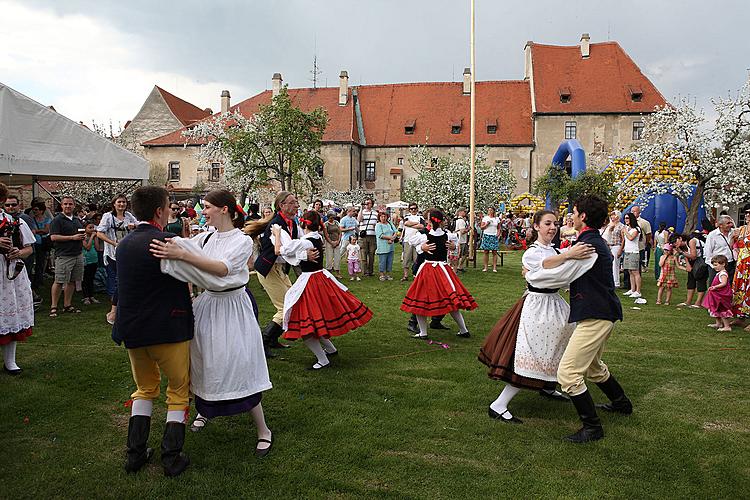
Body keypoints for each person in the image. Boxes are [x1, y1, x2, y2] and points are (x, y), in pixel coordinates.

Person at [151, 189, 273, 457]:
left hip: (232, 308)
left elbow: (222, 269)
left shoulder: (241, 241)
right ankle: (205, 411)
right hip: (208, 305)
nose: (202, 211)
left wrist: (183, 256)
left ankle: (263, 429)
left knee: (239, 363)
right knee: (204, 359)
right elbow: (181, 245)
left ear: (224, 209)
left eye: (206, 207)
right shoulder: (205, 237)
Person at [525, 195, 629, 443]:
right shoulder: (588, 241)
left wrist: (532, 276)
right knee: (593, 367)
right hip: (599, 312)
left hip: (596, 314)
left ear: (583, 216)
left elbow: (560, 277)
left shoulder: (589, 245)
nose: (570, 216)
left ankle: (592, 428)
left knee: (569, 375)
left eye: (573, 211)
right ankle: (621, 403)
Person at [479, 210, 594, 423]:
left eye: (555, 224)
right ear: (536, 226)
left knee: (558, 345)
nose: (552, 227)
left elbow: (561, 274)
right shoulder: (532, 252)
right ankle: (499, 404)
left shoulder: (555, 250)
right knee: (533, 352)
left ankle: (547, 385)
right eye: (547, 223)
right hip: (536, 306)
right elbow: (545, 268)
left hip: (555, 303)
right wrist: (568, 256)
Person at [112, 185, 193, 476]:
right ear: (160, 211)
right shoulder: (167, 240)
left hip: (133, 329)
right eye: (169, 205)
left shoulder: (124, 244)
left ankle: (135, 454)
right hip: (168, 326)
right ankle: (171, 457)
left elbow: (122, 286)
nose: (171, 209)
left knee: (144, 389)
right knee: (178, 390)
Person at [272, 210, 372, 370]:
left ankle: (323, 359)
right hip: (320, 279)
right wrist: (302, 255)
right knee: (316, 318)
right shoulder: (316, 238)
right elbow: (296, 253)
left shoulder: (304, 242)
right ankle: (330, 349)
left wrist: (277, 234)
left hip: (311, 282)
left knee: (307, 323)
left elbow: (279, 251)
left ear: (304, 223)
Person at [251, 191, 317, 358]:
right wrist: (304, 255)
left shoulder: (292, 223)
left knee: (293, 302)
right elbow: (281, 250)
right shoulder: (276, 225)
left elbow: (296, 244)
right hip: (269, 270)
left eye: (296, 202)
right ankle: (264, 342)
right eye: (293, 202)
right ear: (282, 205)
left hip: (279, 270)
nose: (297, 205)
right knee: (285, 307)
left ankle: (272, 339)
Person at [401, 209, 476, 339]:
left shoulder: (426, 235)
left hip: (430, 269)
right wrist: (422, 248)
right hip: (443, 269)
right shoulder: (447, 235)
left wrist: (421, 248)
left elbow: (412, 242)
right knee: (450, 300)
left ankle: (424, 332)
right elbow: (455, 243)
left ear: (430, 221)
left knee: (420, 299)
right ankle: (463, 330)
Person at [0, 183, 35, 374]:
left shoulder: (14, 221)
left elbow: (29, 248)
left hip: (10, 275)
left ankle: (10, 361)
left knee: (11, 313)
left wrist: (18, 252)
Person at [97, 194, 138, 325]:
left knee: (125, 281)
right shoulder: (108, 217)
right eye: (119, 202)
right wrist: (113, 243)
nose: (122, 205)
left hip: (127, 253)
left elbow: (139, 225)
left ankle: (120, 309)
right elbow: (99, 233)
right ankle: (114, 311)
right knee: (117, 281)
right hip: (112, 254)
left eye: (124, 202)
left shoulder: (129, 216)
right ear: (114, 204)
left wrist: (134, 227)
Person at [48, 195, 85, 317]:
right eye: (65, 204)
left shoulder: (76, 220)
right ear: (61, 205)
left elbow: (81, 234)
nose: (68, 206)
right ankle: (53, 307)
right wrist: (72, 238)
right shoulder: (57, 220)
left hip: (77, 254)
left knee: (72, 281)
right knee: (59, 281)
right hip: (64, 255)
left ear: (74, 206)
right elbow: (53, 237)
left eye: (70, 204)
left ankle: (67, 305)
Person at [675, 232, 708, 308]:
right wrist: (688, 265)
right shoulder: (683, 246)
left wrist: (681, 252)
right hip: (693, 262)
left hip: (701, 262)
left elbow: (693, 256)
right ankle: (688, 301)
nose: (675, 245)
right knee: (691, 281)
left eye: (675, 242)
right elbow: (686, 255)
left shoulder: (691, 241)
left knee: (700, 281)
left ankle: (698, 303)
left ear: (680, 239)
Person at [703, 255, 734, 332]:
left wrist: (715, 287)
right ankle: (718, 323)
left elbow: (724, 283)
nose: (714, 267)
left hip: (722, 296)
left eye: (716, 265)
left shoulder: (723, 274)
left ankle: (727, 326)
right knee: (716, 309)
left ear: (723, 264)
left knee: (722, 309)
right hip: (717, 296)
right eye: (713, 265)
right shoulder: (719, 273)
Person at [731, 210, 750, 331]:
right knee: (739, 289)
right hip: (741, 264)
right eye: (747, 213)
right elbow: (734, 243)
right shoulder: (742, 229)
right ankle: (740, 317)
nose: (747, 215)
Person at [704, 215, 736, 285]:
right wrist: (715, 267)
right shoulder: (712, 235)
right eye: (728, 223)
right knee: (715, 288)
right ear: (720, 225)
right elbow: (707, 253)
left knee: (729, 287)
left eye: (731, 222)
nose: (731, 225)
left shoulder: (734, 233)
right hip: (717, 266)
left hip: (730, 265)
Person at [622, 213, 646, 304]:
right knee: (630, 271)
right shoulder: (627, 228)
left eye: (627, 218)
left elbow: (631, 238)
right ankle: (632, 289)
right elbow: (625, 239)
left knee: (635, 272)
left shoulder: (636, 229)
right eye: (625, 218)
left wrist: (625, 231)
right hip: (627, 251)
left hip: (634, 252)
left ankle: (638, 291)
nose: (626, 220)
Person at [29, 200, 52, 296]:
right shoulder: (31, 219)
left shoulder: (47, 219)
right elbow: (32, 231)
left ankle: (38, 281)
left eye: (36, 210)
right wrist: (40, 231)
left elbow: (46, 230)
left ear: (42, 211)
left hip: (42, 243)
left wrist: (38, 231)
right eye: (33, 210)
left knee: (41, 262)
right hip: (34, 243)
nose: (35, 212)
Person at [400, 203, 425, 281]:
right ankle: (405, 275)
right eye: (411, 209)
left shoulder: (420, 217)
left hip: (418, 241)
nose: (413, 210)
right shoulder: (407, 216)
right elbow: (406, 223)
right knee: (406, 258)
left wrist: (411, 225)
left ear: (417, 209)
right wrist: (416, 224)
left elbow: (422, 226)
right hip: (408, 240)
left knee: (417, 259)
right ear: (409, 209)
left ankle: (416, 275)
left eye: (414, 208)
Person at [602, 210, 625, 288]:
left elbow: (623, 239)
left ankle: (616, 282)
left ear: (618, 216)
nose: (612, 217)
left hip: (616, 245)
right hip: (608, 245)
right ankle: (608, 280)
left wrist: (621, 249)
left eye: (613, 215)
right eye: (611, 215)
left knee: (615, 263)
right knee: (608, 263)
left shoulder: (621, 226)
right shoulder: (609, 225)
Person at [357, 198, 378, 277]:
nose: (366, 205)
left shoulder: (375, 213)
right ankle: (365, 271)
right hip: (363, 236)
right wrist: (361, 209)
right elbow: (359, 220)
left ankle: (371, 271)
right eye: (365, 203)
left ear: (371, 204)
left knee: (372, 253)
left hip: (373, 235)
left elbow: (377, 223)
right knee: (363, 253)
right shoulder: (362, 212)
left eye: (368, 203)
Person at [81, 221, 100, 305]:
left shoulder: (94, 236)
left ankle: (91, 295)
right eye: (90, 228)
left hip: (94, 259)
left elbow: (97, 248)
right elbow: (87, 247)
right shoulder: (83, 237)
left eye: (93, 227)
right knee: (85, 279)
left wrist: (95, 238)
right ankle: (86, 297)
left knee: (91, 278)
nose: (92, 229)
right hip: (86, 260)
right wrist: (92, 237)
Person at [375, 211, 397, 281]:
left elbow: (395, 231)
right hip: (382, 246)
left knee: (389, 261)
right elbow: (380, 235)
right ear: (379, 217)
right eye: (382, 217)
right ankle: (382, 274)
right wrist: (390, 238)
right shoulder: (378, 225)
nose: (383, 218)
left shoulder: (390, 223)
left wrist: (393, 238)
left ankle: (388, 274)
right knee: (383, 261)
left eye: (385, 216)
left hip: (391, 245)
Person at [631, 205, 652, 273]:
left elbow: (648, 234)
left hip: (640, 247)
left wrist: (645, 243)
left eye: (634, 211)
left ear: (639, 212)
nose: (633, 213)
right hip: (630, 247)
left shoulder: (644, 222)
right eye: (632, 211)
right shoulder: (628, 221)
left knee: (638, 266)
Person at [479, 207, 500, 272]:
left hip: (494, 236)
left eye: (491, 210)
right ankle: (485, 267)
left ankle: (494, 267)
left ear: (494, 211)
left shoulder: (497, 219)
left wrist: (498, 234)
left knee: (494, 252)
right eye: (489, 210)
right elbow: (481, 228)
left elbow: (499, 228)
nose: (490, 211)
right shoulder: (485, 218)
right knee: (486, 251)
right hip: (486, 235)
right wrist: (486, 224)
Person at [323, 212, 343, 278]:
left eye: (333, 217)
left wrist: (338, 241)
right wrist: (331, 242)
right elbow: (326, 234)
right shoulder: (325, 224)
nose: (332, 219)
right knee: (329, 257)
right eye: (331, 218)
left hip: (337, 241)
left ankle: (337, 271)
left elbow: (340, 232)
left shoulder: (337, 223)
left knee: (337, 257)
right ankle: (329, 272)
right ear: (328, 217)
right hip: (329, 242)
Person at [454, 208, 469, 272]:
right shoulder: (461, 221)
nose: (465, 213)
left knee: (465, 253)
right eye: (464, 211)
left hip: (461, 239)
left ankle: (459, 266)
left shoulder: (458, 220)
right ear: (460, 212)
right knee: (460, 254)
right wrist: (468, 229)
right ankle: (457, 267)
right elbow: (462, 231)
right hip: (461, 240)